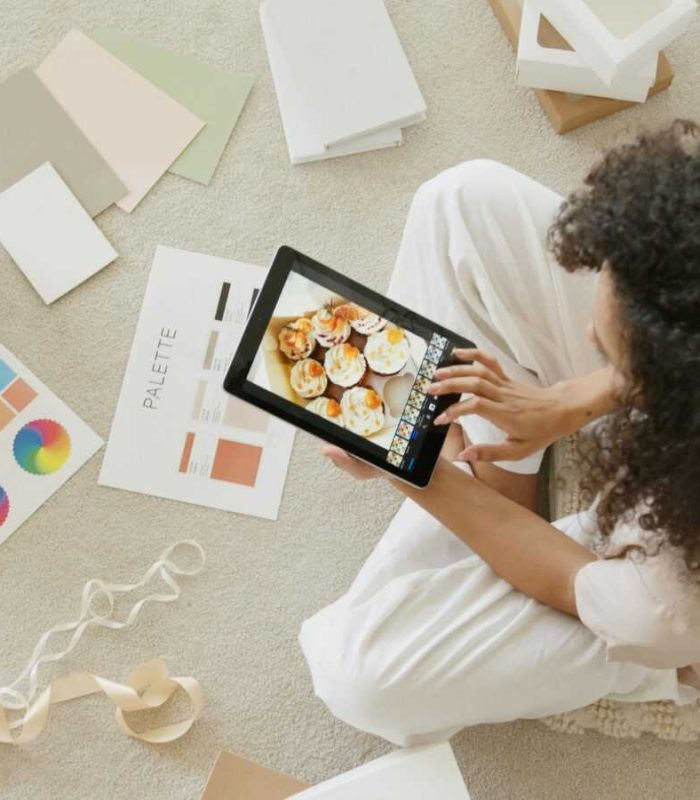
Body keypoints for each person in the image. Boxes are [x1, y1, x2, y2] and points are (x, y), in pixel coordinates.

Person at [299, 120, 700, 747]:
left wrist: (420, 475)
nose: (589, 338)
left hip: (666, 612)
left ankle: (474, 482)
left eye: (612, 352)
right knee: (461, 204)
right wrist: (572, 400)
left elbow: (569, 580)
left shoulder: (672, 591)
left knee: (358, 673)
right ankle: (493, 484)